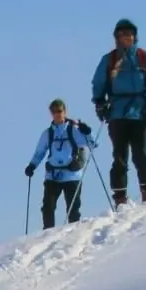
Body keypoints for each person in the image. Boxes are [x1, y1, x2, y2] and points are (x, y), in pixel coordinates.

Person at [91, 17, 146, 206]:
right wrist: (100, 102)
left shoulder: (143, 57)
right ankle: (120, 197)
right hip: (117, 112)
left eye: (128, 34)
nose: (124, 38)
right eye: (120, 34)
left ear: (134, 37)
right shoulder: (109, 60)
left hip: (140, 111)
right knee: (119, 155)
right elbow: (98, 82)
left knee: (141, 154)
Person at [24, 98, 99, 229]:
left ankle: (73, 233)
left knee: (73, 209)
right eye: (54, 111)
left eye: (59, 111)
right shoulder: (48, 133)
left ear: (65, 111)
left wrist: (87, 132)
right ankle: (47, 234)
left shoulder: (74, 130)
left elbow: (93, 144)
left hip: (72, 175)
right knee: (48, 207)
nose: (57, 114)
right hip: (53, 175)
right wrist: (32, 165)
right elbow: (40, 152)